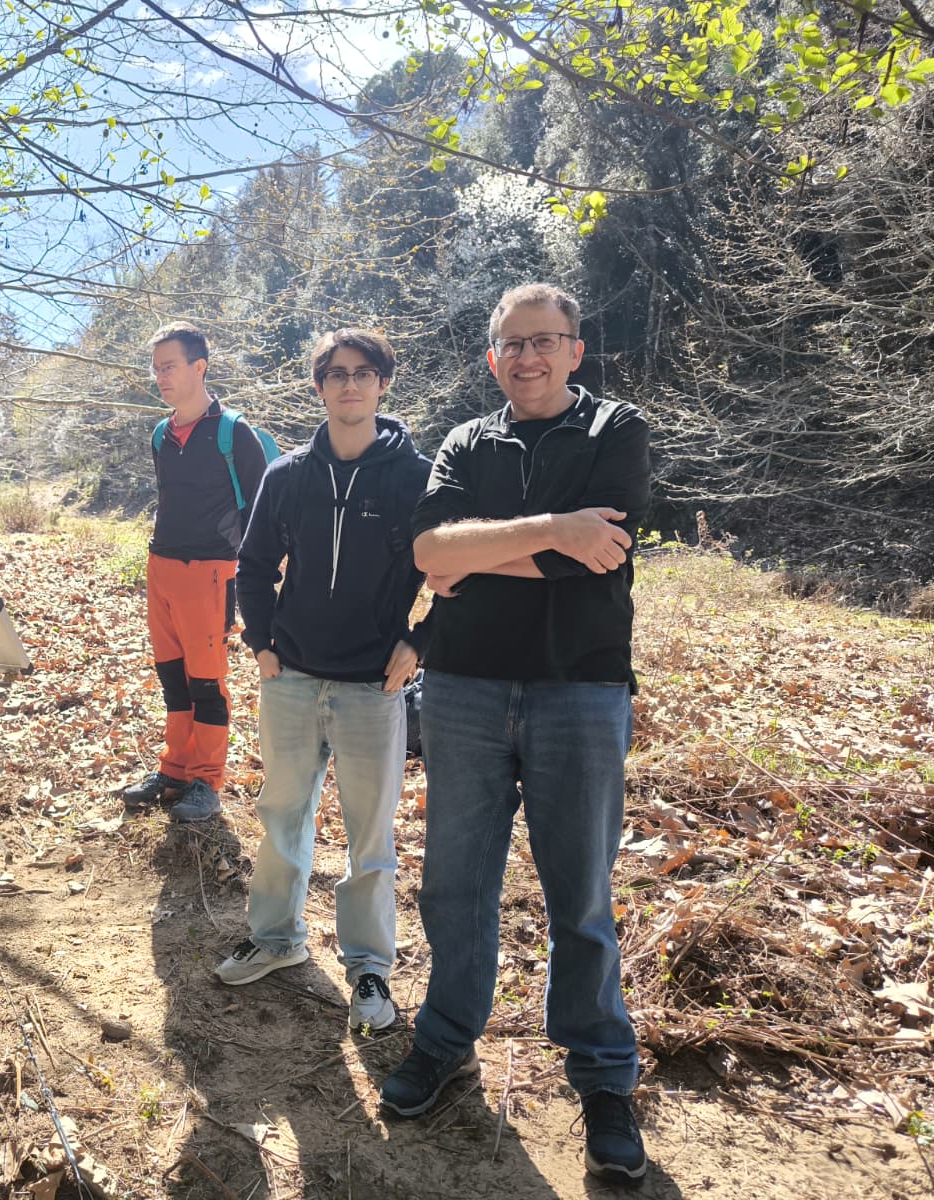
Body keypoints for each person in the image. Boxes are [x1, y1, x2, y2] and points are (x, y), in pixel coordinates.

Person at [379, 284, 652, 1187]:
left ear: (575, 349)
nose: (527, 357)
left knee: (581, 894)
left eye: (544, 340)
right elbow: (428, 552)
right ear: (492, 356)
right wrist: (555, 532)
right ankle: (445, 1037)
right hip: (462, 686)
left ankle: (603, 1076)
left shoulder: (615, 429)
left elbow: (603, 555)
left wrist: (485, 549)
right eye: (511, 344)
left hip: (582, 689)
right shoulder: (466, 441)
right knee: (454, 883)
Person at [213, 329, 433, 1036]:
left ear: (383, 384)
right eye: (336, 374)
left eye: (363, 373)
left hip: (374, 686)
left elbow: (458, 575)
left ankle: (369, 966)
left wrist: (420, 642)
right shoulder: (288, 476)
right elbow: (252, 567)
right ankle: (277, 938)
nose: (350, 385)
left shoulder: (416, 477)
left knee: (370, 836)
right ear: (319, 387)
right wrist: (262, 643)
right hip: (293, 678)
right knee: (282, 816)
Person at [123, 322, 268, 822]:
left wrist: (254, 581)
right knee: (172, 678)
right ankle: (175, 769)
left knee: (206, 682)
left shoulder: (234, 433)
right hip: (161, 567)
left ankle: (207, 779)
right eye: (156, 368)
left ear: (199, 366)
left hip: (210, 572)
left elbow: (260, 511)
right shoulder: (161, 434)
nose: (160, 376)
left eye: (169, 366)